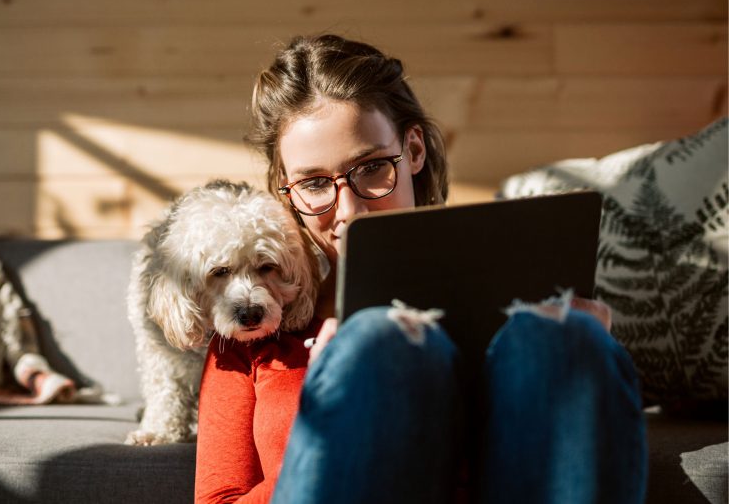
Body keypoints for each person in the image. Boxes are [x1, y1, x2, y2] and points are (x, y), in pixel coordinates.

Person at [194, 34, 648, 504]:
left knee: (564, 337)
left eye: (371, 168)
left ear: (413, 151)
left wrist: (589, 356)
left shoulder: (519, 322)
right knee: (379, 342)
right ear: (286, 189)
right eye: (314, 182)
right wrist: (336, 416)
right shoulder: (250, 334)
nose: (349, 210)